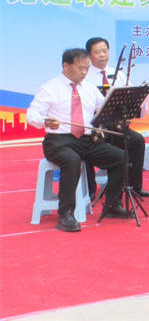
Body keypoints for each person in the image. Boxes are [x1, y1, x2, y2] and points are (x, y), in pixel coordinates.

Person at [26, 48, 127, 232]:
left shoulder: (89, 88)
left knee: (120, 157)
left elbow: (103, 107)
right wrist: (45, 121)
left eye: (87, 68)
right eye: (80, 68)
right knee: (71, 161)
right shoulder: (50, 88)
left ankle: (113, 205)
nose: (84, 72)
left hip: (86, 140)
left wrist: (115, 108)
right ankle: (65, 214)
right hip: (59, 141)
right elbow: (32, 114)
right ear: (66, 66)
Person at [83, 37, 149, 200]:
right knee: (84, 145)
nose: (102, 55)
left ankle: (134, 186)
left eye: (105, 51)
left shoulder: (119, 74)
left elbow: (131, 97)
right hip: (96, 128)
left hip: (116, 126)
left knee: (138, 141)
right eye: (97, 52)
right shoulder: (85, 77)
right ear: (89, 55)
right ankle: (90, 190)